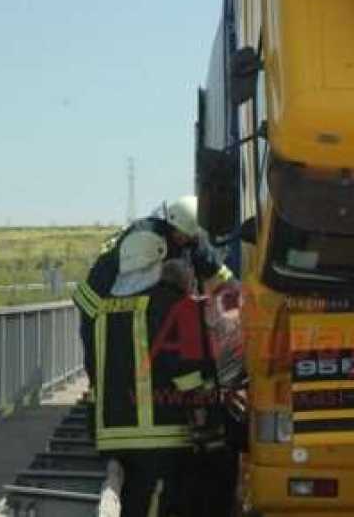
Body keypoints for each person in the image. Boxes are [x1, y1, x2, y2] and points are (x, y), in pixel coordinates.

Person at [72, 196, 243, 517]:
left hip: (112, 427)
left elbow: (223, 279)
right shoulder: (135, 258)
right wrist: (207, 407)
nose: (185, 244)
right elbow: (187, 372)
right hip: (162, 433)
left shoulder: (106, 316)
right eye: (181, 239)